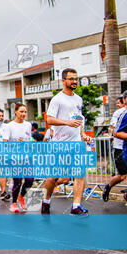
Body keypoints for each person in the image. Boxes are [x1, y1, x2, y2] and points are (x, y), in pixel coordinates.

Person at [41, 68, 91, 215]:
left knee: (80, 173)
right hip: (60, 144)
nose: (74, 81)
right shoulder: (57, 99)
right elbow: (49, 119)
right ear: (63, 81)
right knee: (54, 177)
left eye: (76, 78)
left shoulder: (78, 99)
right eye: (71, 79)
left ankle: (76, 206)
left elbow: (79, 119)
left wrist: (83, 134)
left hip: (76, 143)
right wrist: (66, 123)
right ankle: (46, 201)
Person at [6, 103, 34, 213]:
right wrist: (16, 143)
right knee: (17, 181)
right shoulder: (9, 126)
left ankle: (21, 196)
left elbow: (28, 138)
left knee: (29, 180)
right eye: (21, 111)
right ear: (16, 112)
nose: (23, 114)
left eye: (25, 112)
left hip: (26, 156)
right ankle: (13, 203)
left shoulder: (28, 125)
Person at [104, 94, 127, 201]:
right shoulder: (120, 113)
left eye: (118, 102)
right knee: (122, 176)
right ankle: (108, 187)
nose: (117, 104)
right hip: (120, 148)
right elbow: (113, 131)